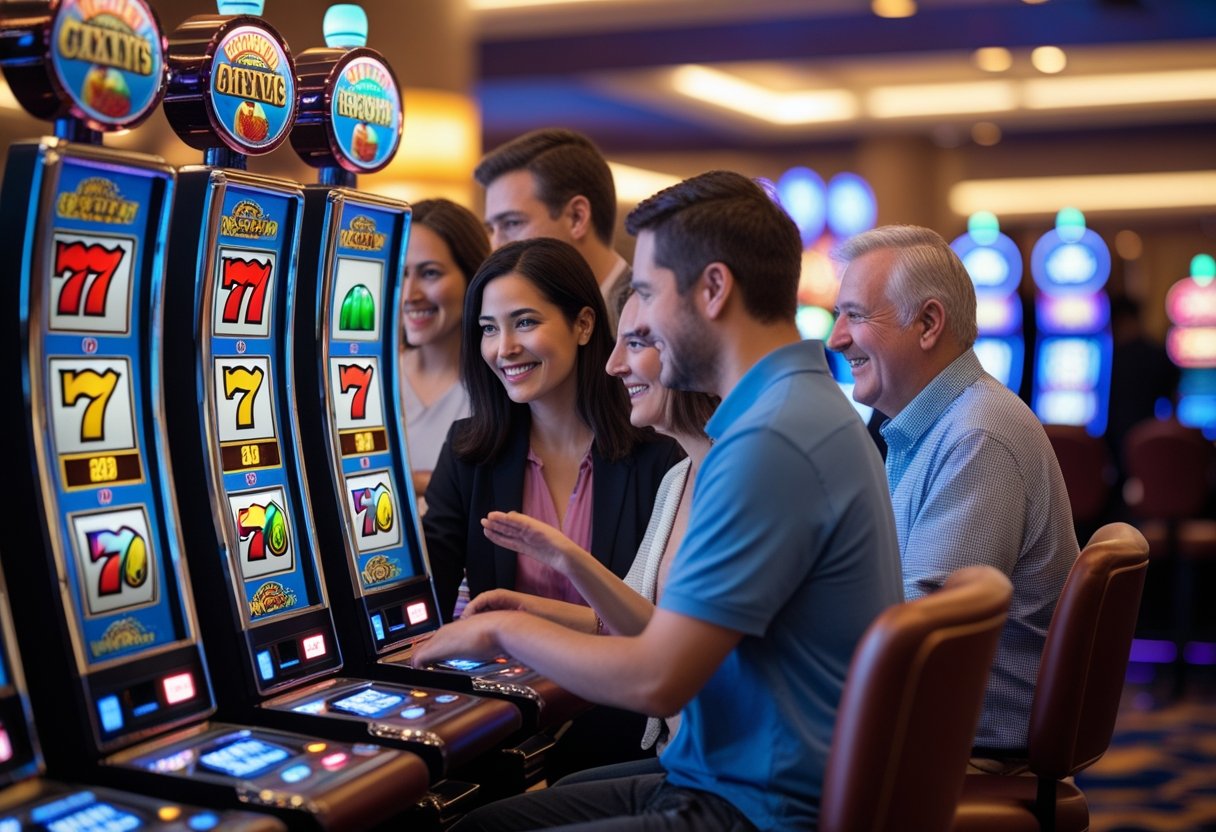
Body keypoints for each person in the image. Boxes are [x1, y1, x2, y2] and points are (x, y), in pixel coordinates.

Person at [415, 170, 903, 831]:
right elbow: (667, 637)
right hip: (723, 775)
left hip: (757, 808)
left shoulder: (771, 441)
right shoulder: (787, 411)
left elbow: (657, 680)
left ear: (712, 289)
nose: (635, 322)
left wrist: (500, 628)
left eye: (645, 292)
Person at [422, 236, 683, 778]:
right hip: (502, 719)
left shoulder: (659, 452)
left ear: (584, 325)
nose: (504, 348)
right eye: (489, 329)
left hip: (622, 721)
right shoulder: (470, 451)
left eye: (524, 322)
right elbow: (427, 585)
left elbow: (661, 633)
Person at [827, 224, 1078, 767]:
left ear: (928, 323)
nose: (835, 338)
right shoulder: (928, 427)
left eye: (855, 315)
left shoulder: (976, 436)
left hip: (956, 748)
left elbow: (919, 639)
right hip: (923, 728)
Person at [463, 290, 719, 768]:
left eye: (639, 344)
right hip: (681, 756)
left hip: (720, 777)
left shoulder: (740, 474)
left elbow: (659, 671)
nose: (613, 364)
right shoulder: (679, 478)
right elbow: (643, 622)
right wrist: (555, 569)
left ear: (698, 350)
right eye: (488, 328)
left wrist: (509, 629)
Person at [474, 128, 632, 332]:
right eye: (491, 229)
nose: (495, 247)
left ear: (577, 218)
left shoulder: (645, 317)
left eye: (512, 223)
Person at [399, 198, 489, 497]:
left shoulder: (500, 385)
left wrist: (418, 482)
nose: (410, 294)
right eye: (402, 274)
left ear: (473, 277)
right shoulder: (366, 378)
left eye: (430, 273)